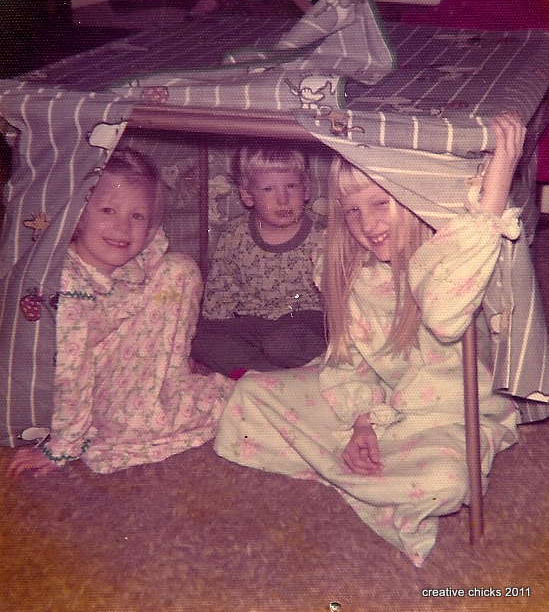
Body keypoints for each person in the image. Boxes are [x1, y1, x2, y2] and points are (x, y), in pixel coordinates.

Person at [214, 112, 524, 566]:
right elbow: (347, 361)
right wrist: (362, 423)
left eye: (381, 204)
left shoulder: (447, 255)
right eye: (352, 211)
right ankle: (372, 476)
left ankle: (358, 473)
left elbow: (444, 318)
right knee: (250, 395)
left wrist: (493, 197)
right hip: (379, 406)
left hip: (443, 417)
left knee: (447, 483)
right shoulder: (352, 273)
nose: (367, 224)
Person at [7, 149, 234, 476]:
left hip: (133, 362)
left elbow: (160, 275)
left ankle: (175, 377)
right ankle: (190, 399)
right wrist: (63, 445)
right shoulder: (67, 281)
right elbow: (72, 371)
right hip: (91, 393)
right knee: (211, 404)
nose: (122, 227)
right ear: (80, 214)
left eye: (137, 216)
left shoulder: (136, 260)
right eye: (108, 210)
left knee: (180, 269)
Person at [191, 144, 326, 377]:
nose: (282, 199)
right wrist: (214, 327)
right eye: (268, 189)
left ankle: (294, 369)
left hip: (304, 321)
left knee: (283, 344)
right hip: (253, 323)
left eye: (291, 186)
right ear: (247, 196)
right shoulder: (235, 235)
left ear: (306, 190)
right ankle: (266, 373)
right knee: (197, 337)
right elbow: (221, 292)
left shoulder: (322, 236)